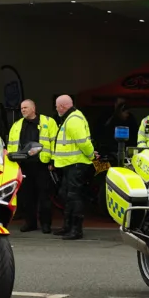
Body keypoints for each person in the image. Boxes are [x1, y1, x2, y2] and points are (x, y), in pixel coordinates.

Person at [6, 99, 58, 233]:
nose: (23, 110)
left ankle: (46, 224)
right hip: (24, 165)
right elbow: (11, 145)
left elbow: (55, 143)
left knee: (44, 196)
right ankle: (30, 223)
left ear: (33, 108)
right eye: (22, 108)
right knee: (26, 197)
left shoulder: (48, 122)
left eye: (26, 107)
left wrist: (53, 162)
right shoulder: (17, 125)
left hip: (42, 164)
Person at [52, 95, 95, 240]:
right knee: (67, 196)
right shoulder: (71, 118)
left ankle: (76, 230)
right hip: (69, 164)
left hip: (75, 164)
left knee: (74, 197)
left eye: (57, 106)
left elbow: (83, 142)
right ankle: (68, 226)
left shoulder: (73, 120)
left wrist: (91, 156)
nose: (56, 108)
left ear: (62, 106)